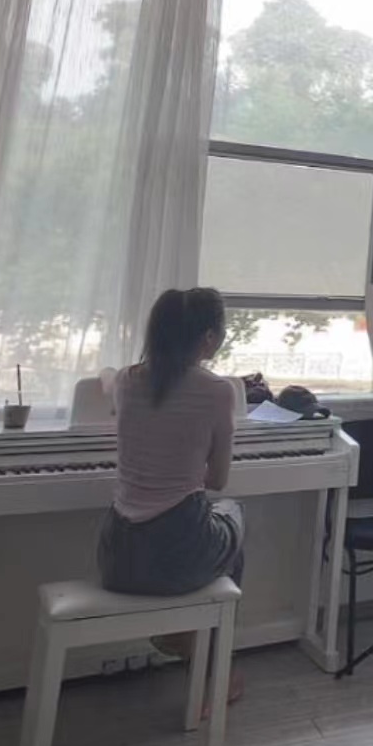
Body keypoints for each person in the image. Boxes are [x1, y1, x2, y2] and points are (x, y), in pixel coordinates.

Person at [96, 287, 245, 696]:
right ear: (208, 338)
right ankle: (213, 668)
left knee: (218, 526)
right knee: (233, 515)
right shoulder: (218, 391)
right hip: (174, 555)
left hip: (116, 556)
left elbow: (108, 379)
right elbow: (217, 480)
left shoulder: (126, 381)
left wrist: (106, 371)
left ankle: (186, 638)